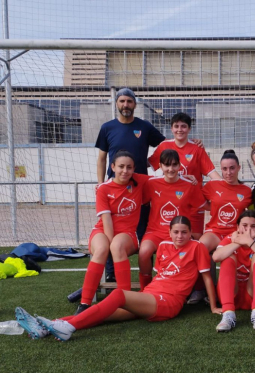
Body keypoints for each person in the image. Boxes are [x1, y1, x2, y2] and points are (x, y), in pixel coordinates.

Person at [15, 216, 222, 341]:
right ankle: (47, 328)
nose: (179, 236)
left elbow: (206, 279)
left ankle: (68, 328)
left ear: (190, 233)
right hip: (150, 296)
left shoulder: (197, 248)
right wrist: (145, 293)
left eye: (184, 232)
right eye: (175, 232)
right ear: (169, 232)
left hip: (168, 302)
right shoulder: (165, 246)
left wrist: (213, 306)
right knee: (103, 314)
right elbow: (160, 277)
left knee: (119, 295)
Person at [95, 88, 165, 282]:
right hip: (114, 191)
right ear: (117, 104)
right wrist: (101, 184)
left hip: (140, 189)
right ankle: (111, 273)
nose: (126, 105)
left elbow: (165, 146)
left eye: (129, 101)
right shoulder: (107, 127)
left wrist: (152, 162)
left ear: (135, 104)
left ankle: (147, 274)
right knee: (112, 231)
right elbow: (101, 159)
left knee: (145, 230)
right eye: (122, 101)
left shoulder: (144, 126)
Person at [76, 150, 150, 315]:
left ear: (134, 169)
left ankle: (125, 301)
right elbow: (106, 219)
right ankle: (85, 303)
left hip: (128, 234)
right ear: (113, 167)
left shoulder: (140, 181)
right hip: (102, 229)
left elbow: (166, 177)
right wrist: (109, 243)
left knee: (117, 246)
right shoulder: (103, 188)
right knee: (103, 248)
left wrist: (185, 177)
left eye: (129, 167)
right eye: (121, 166)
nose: (125, 171)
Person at [188, 150, 253, 304]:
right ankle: (201, 290)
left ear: (239, 167)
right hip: (215, 231)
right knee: (201, 247)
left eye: (232, 168)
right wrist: (211, 208)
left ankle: (225, 290)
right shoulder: (212, 185)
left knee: (230, 255)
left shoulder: (247, 191)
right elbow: (197, 199)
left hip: (234, 233)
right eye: (224, 169)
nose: (228, 172)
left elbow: (251, 215)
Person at [138, 149, 207, 290]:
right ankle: (145, 288)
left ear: (180, 165)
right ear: (160, 166)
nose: (170, 169)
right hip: (155, 231)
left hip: (179, 234)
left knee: (197, 250)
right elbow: (133, 181)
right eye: (167, 165)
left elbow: (203, 205)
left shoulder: (189, 185)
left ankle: (198, 290)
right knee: (144, 252)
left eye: (174, 165)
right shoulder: (151, 183)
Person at [148, 112, 221, 238]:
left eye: (183, 126)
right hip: (173, 202)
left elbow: (211, 173)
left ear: (189, 129)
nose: (179, 130)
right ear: (171, 128)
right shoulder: (164, 146)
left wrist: (225, 188)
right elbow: (149, 164)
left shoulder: (197, 148)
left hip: (194, 202)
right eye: (176, 126)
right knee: (174, 239)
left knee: (197, 239)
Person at [212, 211, 255, 332]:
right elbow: (216, 257)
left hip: (252, 294)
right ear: (237, 227)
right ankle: (228, 314)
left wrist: (250, 242)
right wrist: (238, 242)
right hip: (231, 293)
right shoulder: (230, 238)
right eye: (245, 225)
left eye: (253, 226)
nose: (248, 230)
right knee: (228, 257)